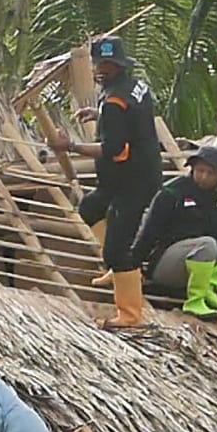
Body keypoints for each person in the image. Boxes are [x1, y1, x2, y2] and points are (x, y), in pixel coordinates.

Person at [45, 36, 161, 328]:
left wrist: (70, 146)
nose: (103, 69)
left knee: (117, 250)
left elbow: (113, 150)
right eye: (101, 64)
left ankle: (130, 314)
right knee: (90, 209)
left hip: (133, 182)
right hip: (123, 178)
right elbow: (134, 119)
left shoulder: (114, 100)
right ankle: (119, 272)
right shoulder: (134, 87)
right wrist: (100, 116)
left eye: (109, 65)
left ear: (119, 65)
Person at [127, 145, 217, 319]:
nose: (204, 177)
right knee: (207, 244)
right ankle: (194, 301)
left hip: (203, 261)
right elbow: (149, 231)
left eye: (211, 173)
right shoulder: (172, 192)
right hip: (168, 263)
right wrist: (134, 266)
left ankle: (209, 288)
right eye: (200, 170)